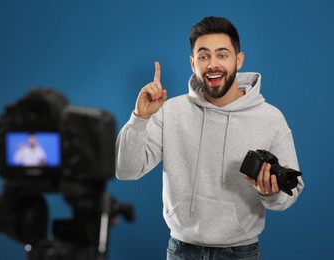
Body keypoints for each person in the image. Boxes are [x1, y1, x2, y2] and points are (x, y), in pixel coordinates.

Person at [115, 16, 304, 260]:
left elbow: (293, 189)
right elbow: (125, 170)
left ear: (239, 59)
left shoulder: (270, 118)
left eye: (222, 55)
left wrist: (271, 194)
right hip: (181, 250)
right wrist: (139, 119)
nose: (212, 64)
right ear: (193, 63)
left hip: (240, 252)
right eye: (204, 56)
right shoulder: (170, 112)